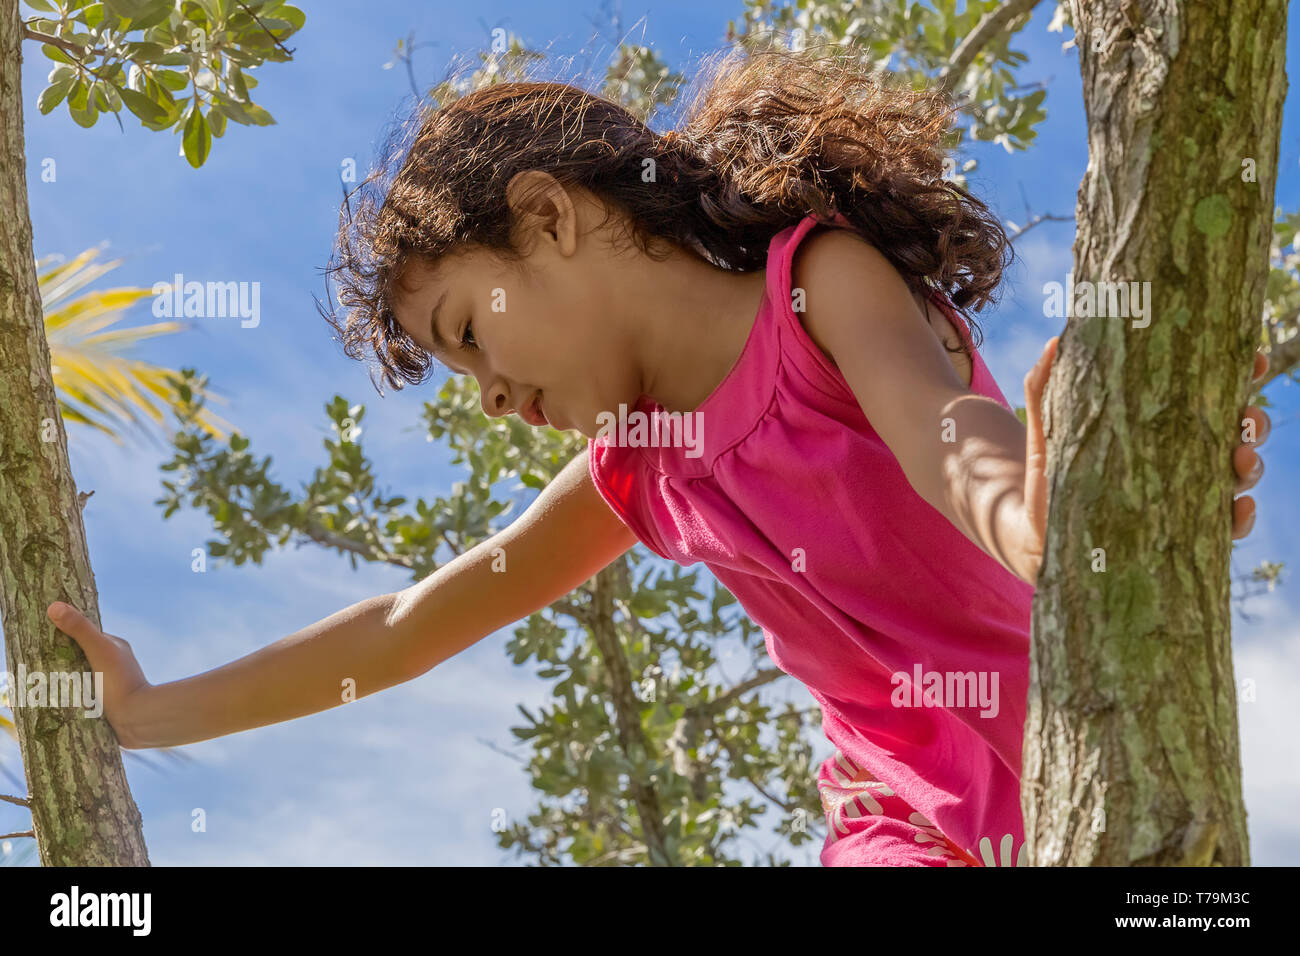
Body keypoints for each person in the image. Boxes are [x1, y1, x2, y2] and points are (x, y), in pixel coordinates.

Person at [47, 45, 1273, 866]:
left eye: (471, 333)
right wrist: (148, 714)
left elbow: (942, 431)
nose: (489, 395)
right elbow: (407, 628)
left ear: (551, 214)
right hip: (897, 822)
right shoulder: (644, 464)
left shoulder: (817, 288)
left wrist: (1057, 515)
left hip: (1070, 755)